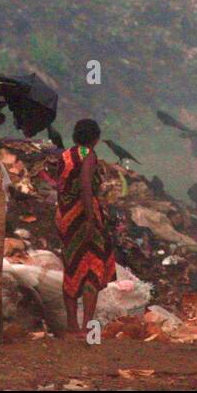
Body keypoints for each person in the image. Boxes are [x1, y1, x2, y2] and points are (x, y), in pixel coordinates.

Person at [54, 118, 115, 337]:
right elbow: (86, 188)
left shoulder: (65, 155)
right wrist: (90, 220)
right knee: (93, 268)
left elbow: (62, 186)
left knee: (71, 267)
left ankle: (72, 325)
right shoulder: (88, 156)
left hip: (64, 215)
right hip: (83, 216)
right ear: (95, 139)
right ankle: (87, 325)